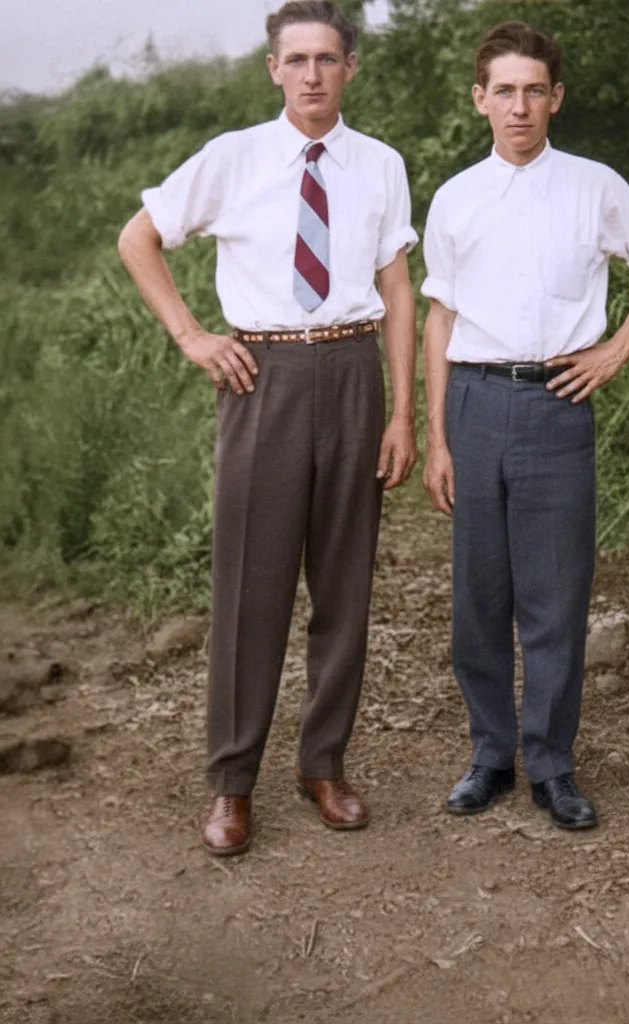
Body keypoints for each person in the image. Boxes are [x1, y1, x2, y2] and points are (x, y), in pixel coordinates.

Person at [117, 1, 418, 856]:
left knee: (345, 588)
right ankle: (232, 783)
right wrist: (192, 336)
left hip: (353, 369)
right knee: (252, 589)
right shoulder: (233, 158)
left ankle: (324, 764)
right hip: (264, 376)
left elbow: (397, 289)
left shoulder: (380, 165)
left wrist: (402, 410)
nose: (313, 75)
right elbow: (139, 237)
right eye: (298, 61)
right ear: (273, 70)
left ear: (350, 68)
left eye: (328, 59)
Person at [421, 21, 629, 830]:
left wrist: (614, 352)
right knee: (480, 596)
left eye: (535, 90)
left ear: (556, 98)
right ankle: (490, 756)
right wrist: (436, 434)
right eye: (504, 90)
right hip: (474, 401)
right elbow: (438, 318)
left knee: (556, 598)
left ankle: (552, 765)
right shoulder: (456, 196)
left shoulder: (595, 185)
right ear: (480, 100)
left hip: (557, 403)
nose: (520, 106)